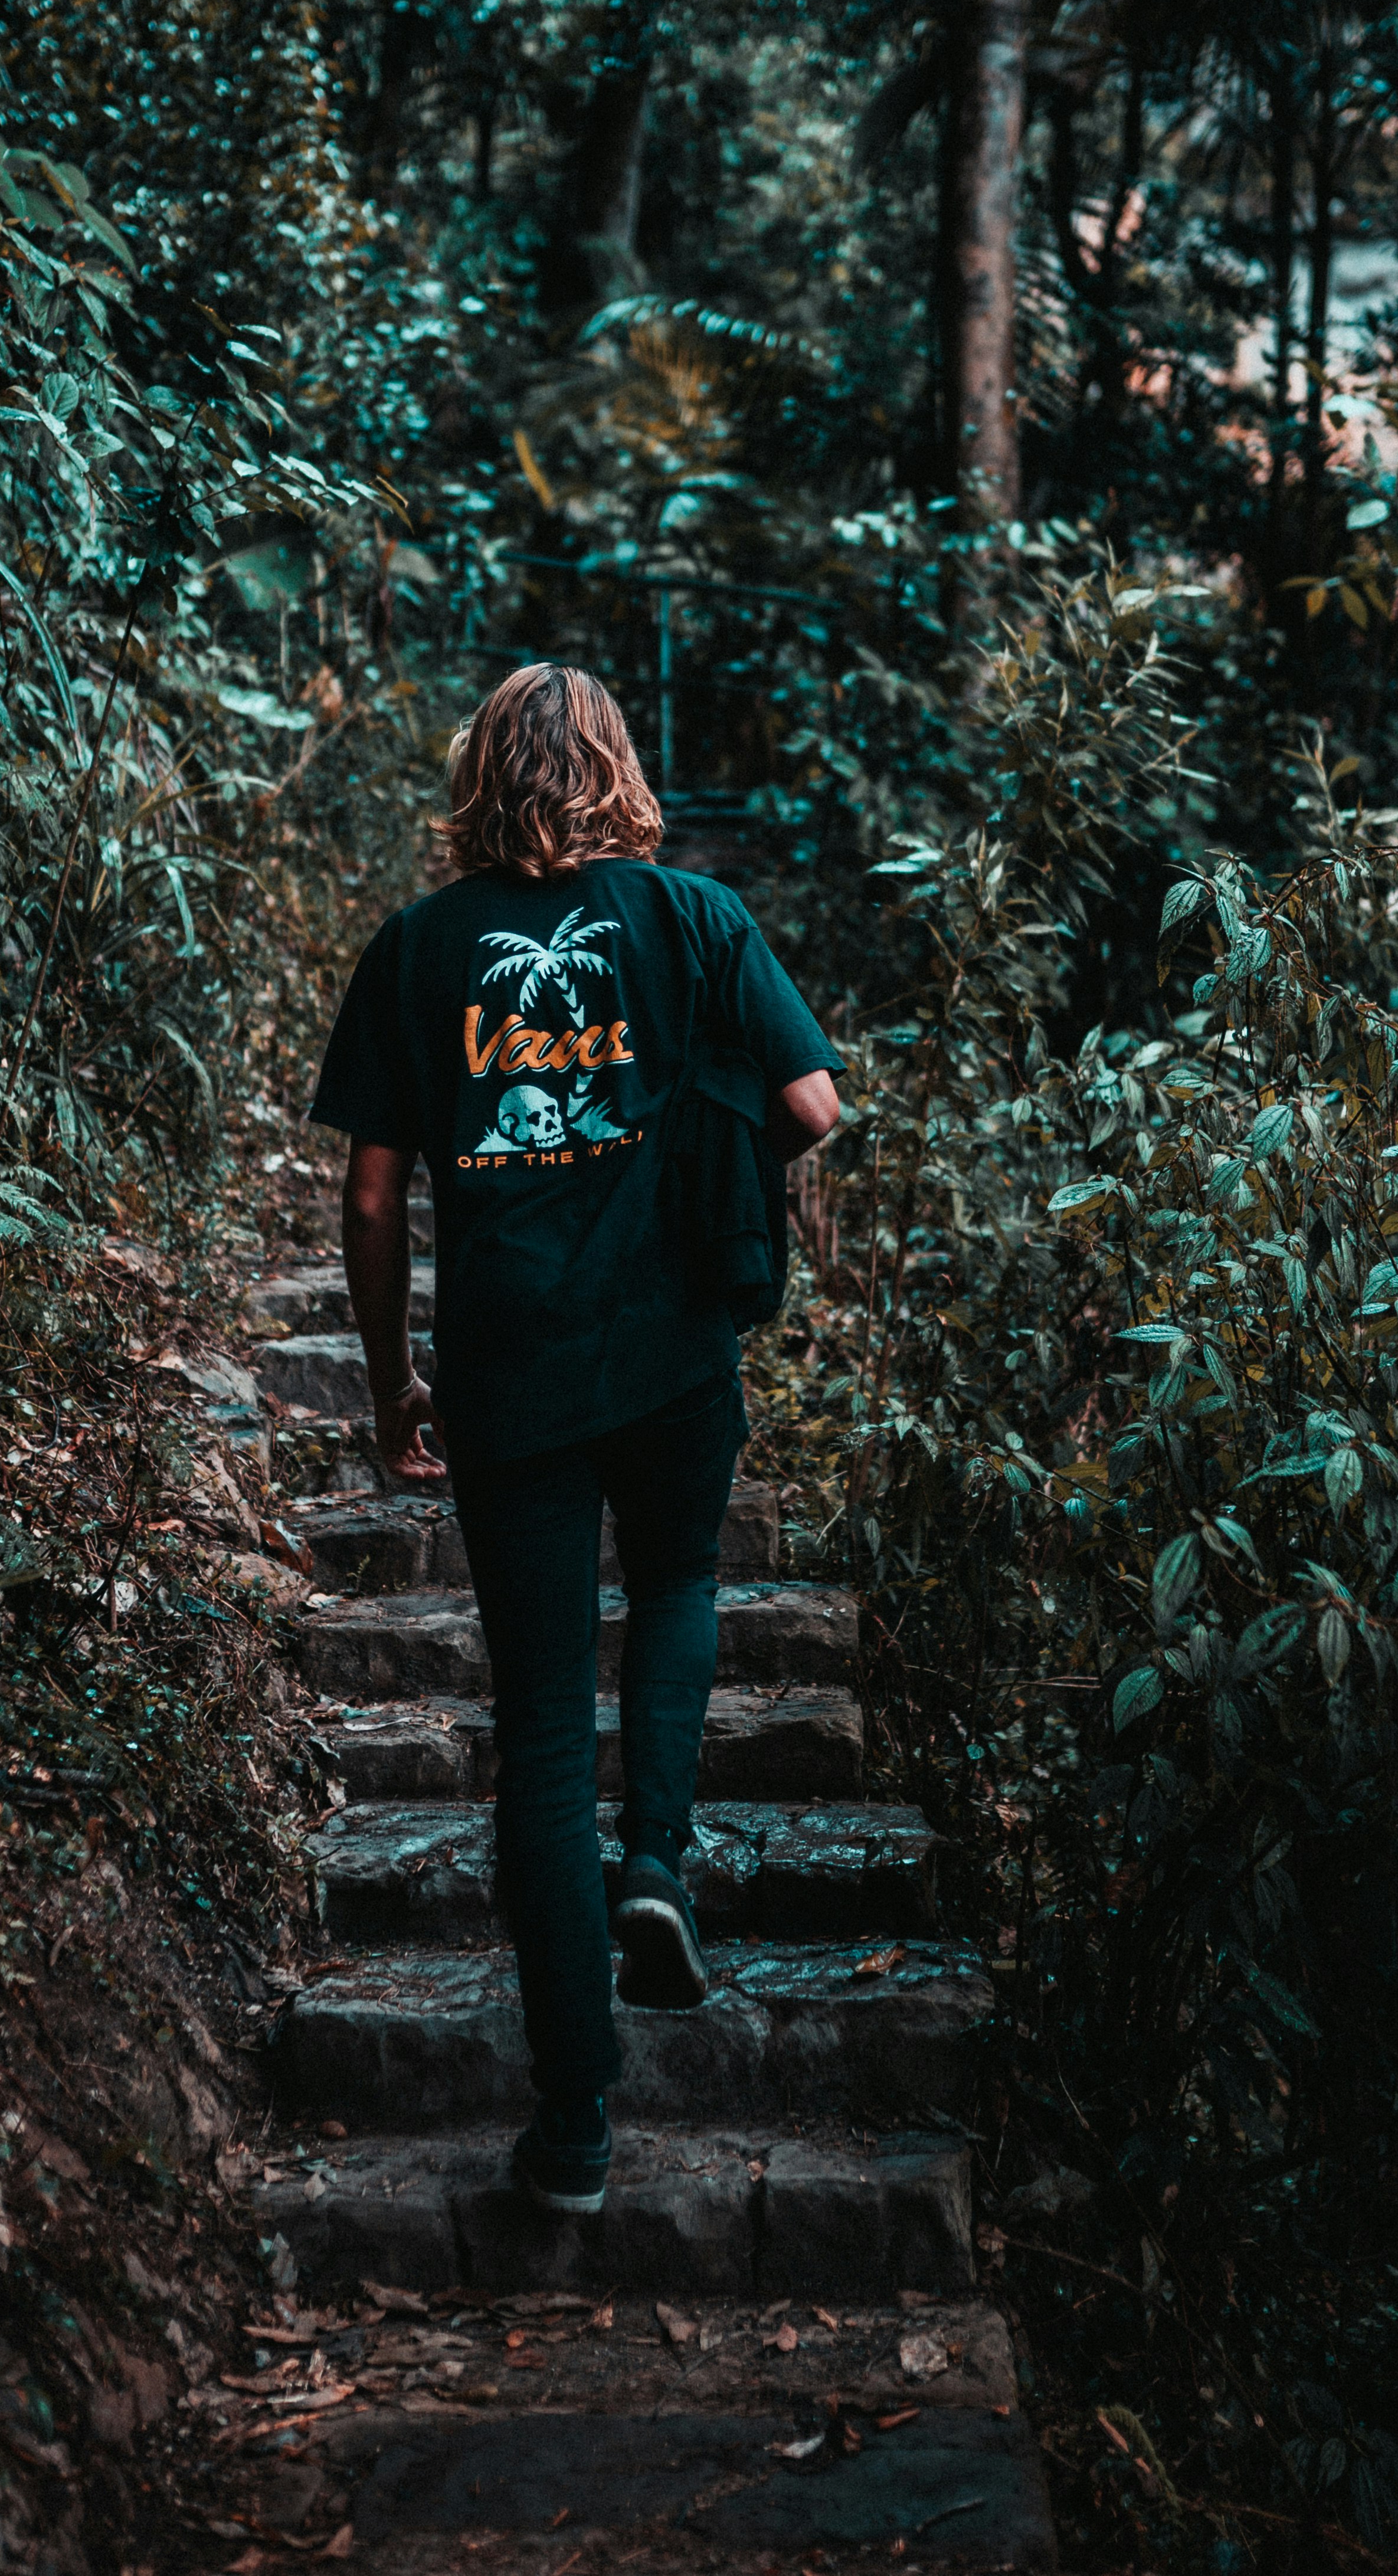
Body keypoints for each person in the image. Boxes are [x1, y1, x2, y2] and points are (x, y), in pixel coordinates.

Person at [309, 661, 841, 2213]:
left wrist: (393, 1379)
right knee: (679, 1588)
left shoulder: (416, 950)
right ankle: (659, 1867)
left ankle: (576, 2124)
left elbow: (368, 1196)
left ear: (481, 776)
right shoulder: (693, 920)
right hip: (673, 1341)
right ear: (615, 766)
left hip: (508, 1365)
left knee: (541, 1719)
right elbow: (813, 1103)